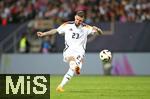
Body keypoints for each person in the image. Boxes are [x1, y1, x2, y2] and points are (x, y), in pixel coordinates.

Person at [37, 11, 103, 92]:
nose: (78, 21)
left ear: (83, 20)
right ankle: (75, 66)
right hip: (69, 50)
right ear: (75, 17)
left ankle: (60, 86)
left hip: (80, 52)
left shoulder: (86, 27)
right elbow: (56, 30)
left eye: (80, 20)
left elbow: (100, 33)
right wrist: (44, 34)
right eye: (77, 19)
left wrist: (99, 30)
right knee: (72, 63)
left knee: (73, 70)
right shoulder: (67, 25)